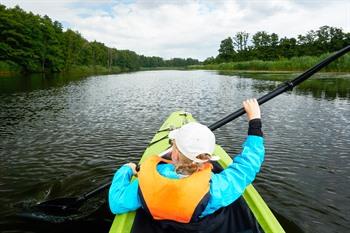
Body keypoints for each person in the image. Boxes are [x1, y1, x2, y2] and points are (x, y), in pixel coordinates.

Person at [109, 98, 264, 230]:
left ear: (174, 154)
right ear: (207, 158)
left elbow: (116, 203)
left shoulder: (144, 183)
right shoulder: (216, 189)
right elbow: (248, 165)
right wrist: (254, 121)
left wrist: (126, 170)